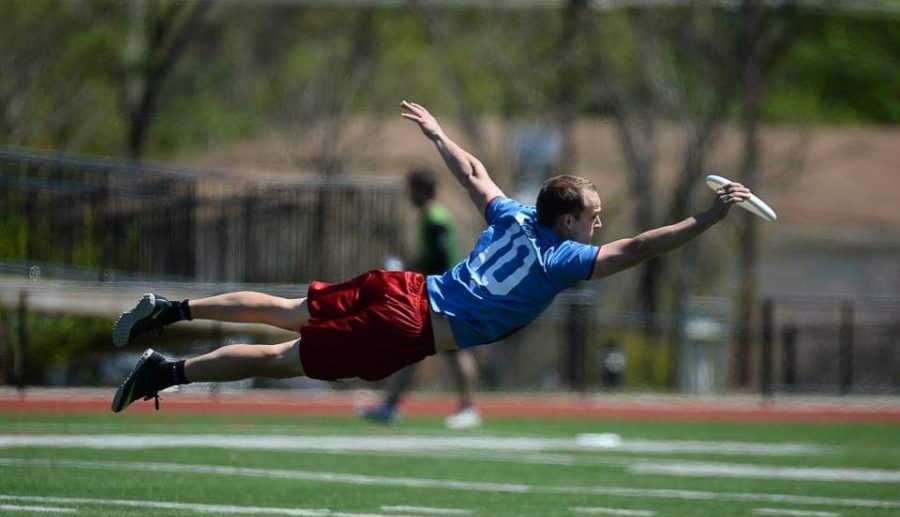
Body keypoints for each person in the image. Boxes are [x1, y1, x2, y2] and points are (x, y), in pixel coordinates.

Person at [111, 100, 752, 413]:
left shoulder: (514, 214)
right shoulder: (561, 259)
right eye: (592, 215)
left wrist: (438, 133)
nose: (600, 222)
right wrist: (712, 215)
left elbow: (474, 172)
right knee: (284, 360)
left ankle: (171, 308)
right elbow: (641, 247)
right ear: (565, 219)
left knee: (285, 310)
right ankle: (164, 375)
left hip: (401, 288)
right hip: (410, 323)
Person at [361, 168, 480, 429]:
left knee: (453, 349)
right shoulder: (431, 216)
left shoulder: (435, 218)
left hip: (443, 292)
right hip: (437, 291)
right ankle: (391, 404)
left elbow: (437, 259)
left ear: (420, 190)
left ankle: (468, 407)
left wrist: (408, 271)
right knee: (416, 346)